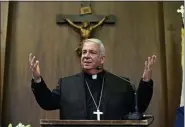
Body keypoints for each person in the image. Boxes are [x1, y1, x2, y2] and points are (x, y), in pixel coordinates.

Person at [29, 38, 156, 120]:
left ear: (102, 59)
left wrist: (145, 82)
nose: (86, 56)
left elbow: (139, 107)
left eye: (92, 52)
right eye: (84, 52)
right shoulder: (67, 84)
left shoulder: (122, 84)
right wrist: (37, 79)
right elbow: (47, 103)